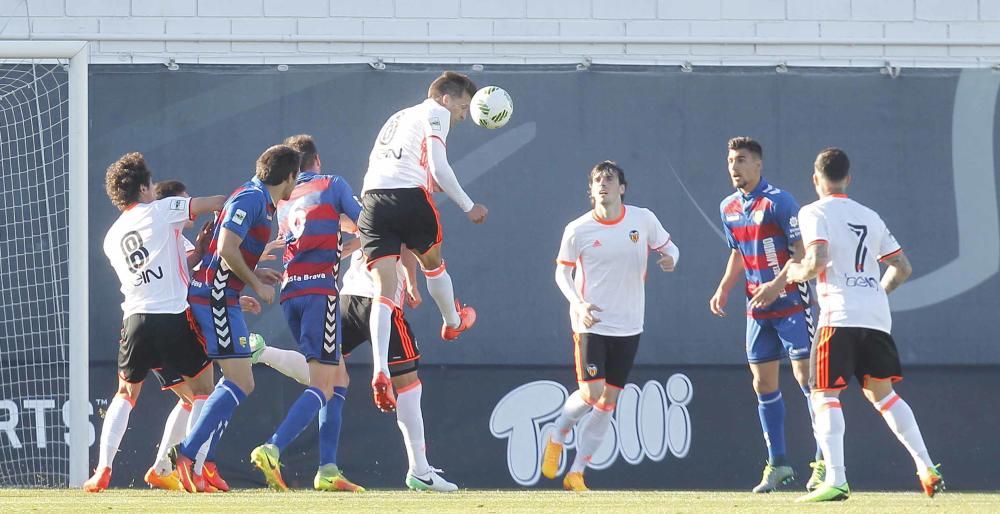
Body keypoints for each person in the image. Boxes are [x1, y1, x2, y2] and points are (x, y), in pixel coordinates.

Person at [750, 148, 944, 502]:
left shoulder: (813, 212)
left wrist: (794, 272)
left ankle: (836, 479)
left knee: (824, 395)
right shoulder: (869, 215)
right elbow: (902, 266)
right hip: (874, 317)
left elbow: (818, 259)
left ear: (815, 179)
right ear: (848, 178)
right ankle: (926, 465)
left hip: (838, 315)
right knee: (883, 394)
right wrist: (877, 294)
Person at [85, 153, 224, 492]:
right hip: (172, 317)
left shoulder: (110, 237)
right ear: (146, 188)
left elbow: (159, 262)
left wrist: (198, 249)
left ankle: (103, 468)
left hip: (134, 321)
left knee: (125, 394)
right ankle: (197, 465)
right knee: (205, 391)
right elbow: (215, 202)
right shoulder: (162, 210)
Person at [540, 161, 679, 492]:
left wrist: (671, 258)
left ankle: (577, 473)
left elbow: (670, 248)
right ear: (590, 190)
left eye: (609, 179)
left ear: (622, 188)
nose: (603, 184)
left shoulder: (642, 219)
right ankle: (558, 432)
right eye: (597, 180)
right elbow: (562, 272)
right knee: (592, 393)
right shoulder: (578, 229)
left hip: (630, 324)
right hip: (592, 322)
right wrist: (579, 303)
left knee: (608, 401)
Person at [170, 145, 300, 493]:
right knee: (239, 381)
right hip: (213, 297)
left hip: (221, 295)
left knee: (238, 382)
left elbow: (226, 252)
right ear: (288, 177)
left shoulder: (258, 200)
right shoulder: (251, 198)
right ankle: (188, 455)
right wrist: (255, 283)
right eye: (295, 177)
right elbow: (225, 248)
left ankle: (200, 460)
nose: (295, 184)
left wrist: (256, 272)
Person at [358, 71, 486, 412]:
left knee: (384, 292)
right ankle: (452, 322)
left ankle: (380, 369)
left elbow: (408, 166)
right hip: (408, 198)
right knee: (434, 265)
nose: (461, 116)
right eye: (462, 108)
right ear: (446, 98)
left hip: (371, 198)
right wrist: (468, 205)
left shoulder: (400, 115)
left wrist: (433, 181)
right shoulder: (436, 112)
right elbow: (440, 167)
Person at [708, 137, 825, 492]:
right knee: (763, 384)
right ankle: (778, 464)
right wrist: (725, 287)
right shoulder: (728, 207)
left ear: (758, 164)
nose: (734, 167)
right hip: (757, 310)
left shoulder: (779, 201)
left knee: (808, 382)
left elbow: (803, 254)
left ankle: (823, 464)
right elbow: (739, 253)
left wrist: (777, 284)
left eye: (741, 160)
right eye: (730, 161)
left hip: (791, 302)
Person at [250, 135, 365, 492]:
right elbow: (367, 223)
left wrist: (340, 246)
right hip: (320, 293)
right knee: (323, 384)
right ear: (316, 160)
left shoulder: (285, 200)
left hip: (292, 294)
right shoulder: (332, 184)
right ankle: (273, 446)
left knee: (339, 378)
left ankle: (328, 469)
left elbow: (314, 228)